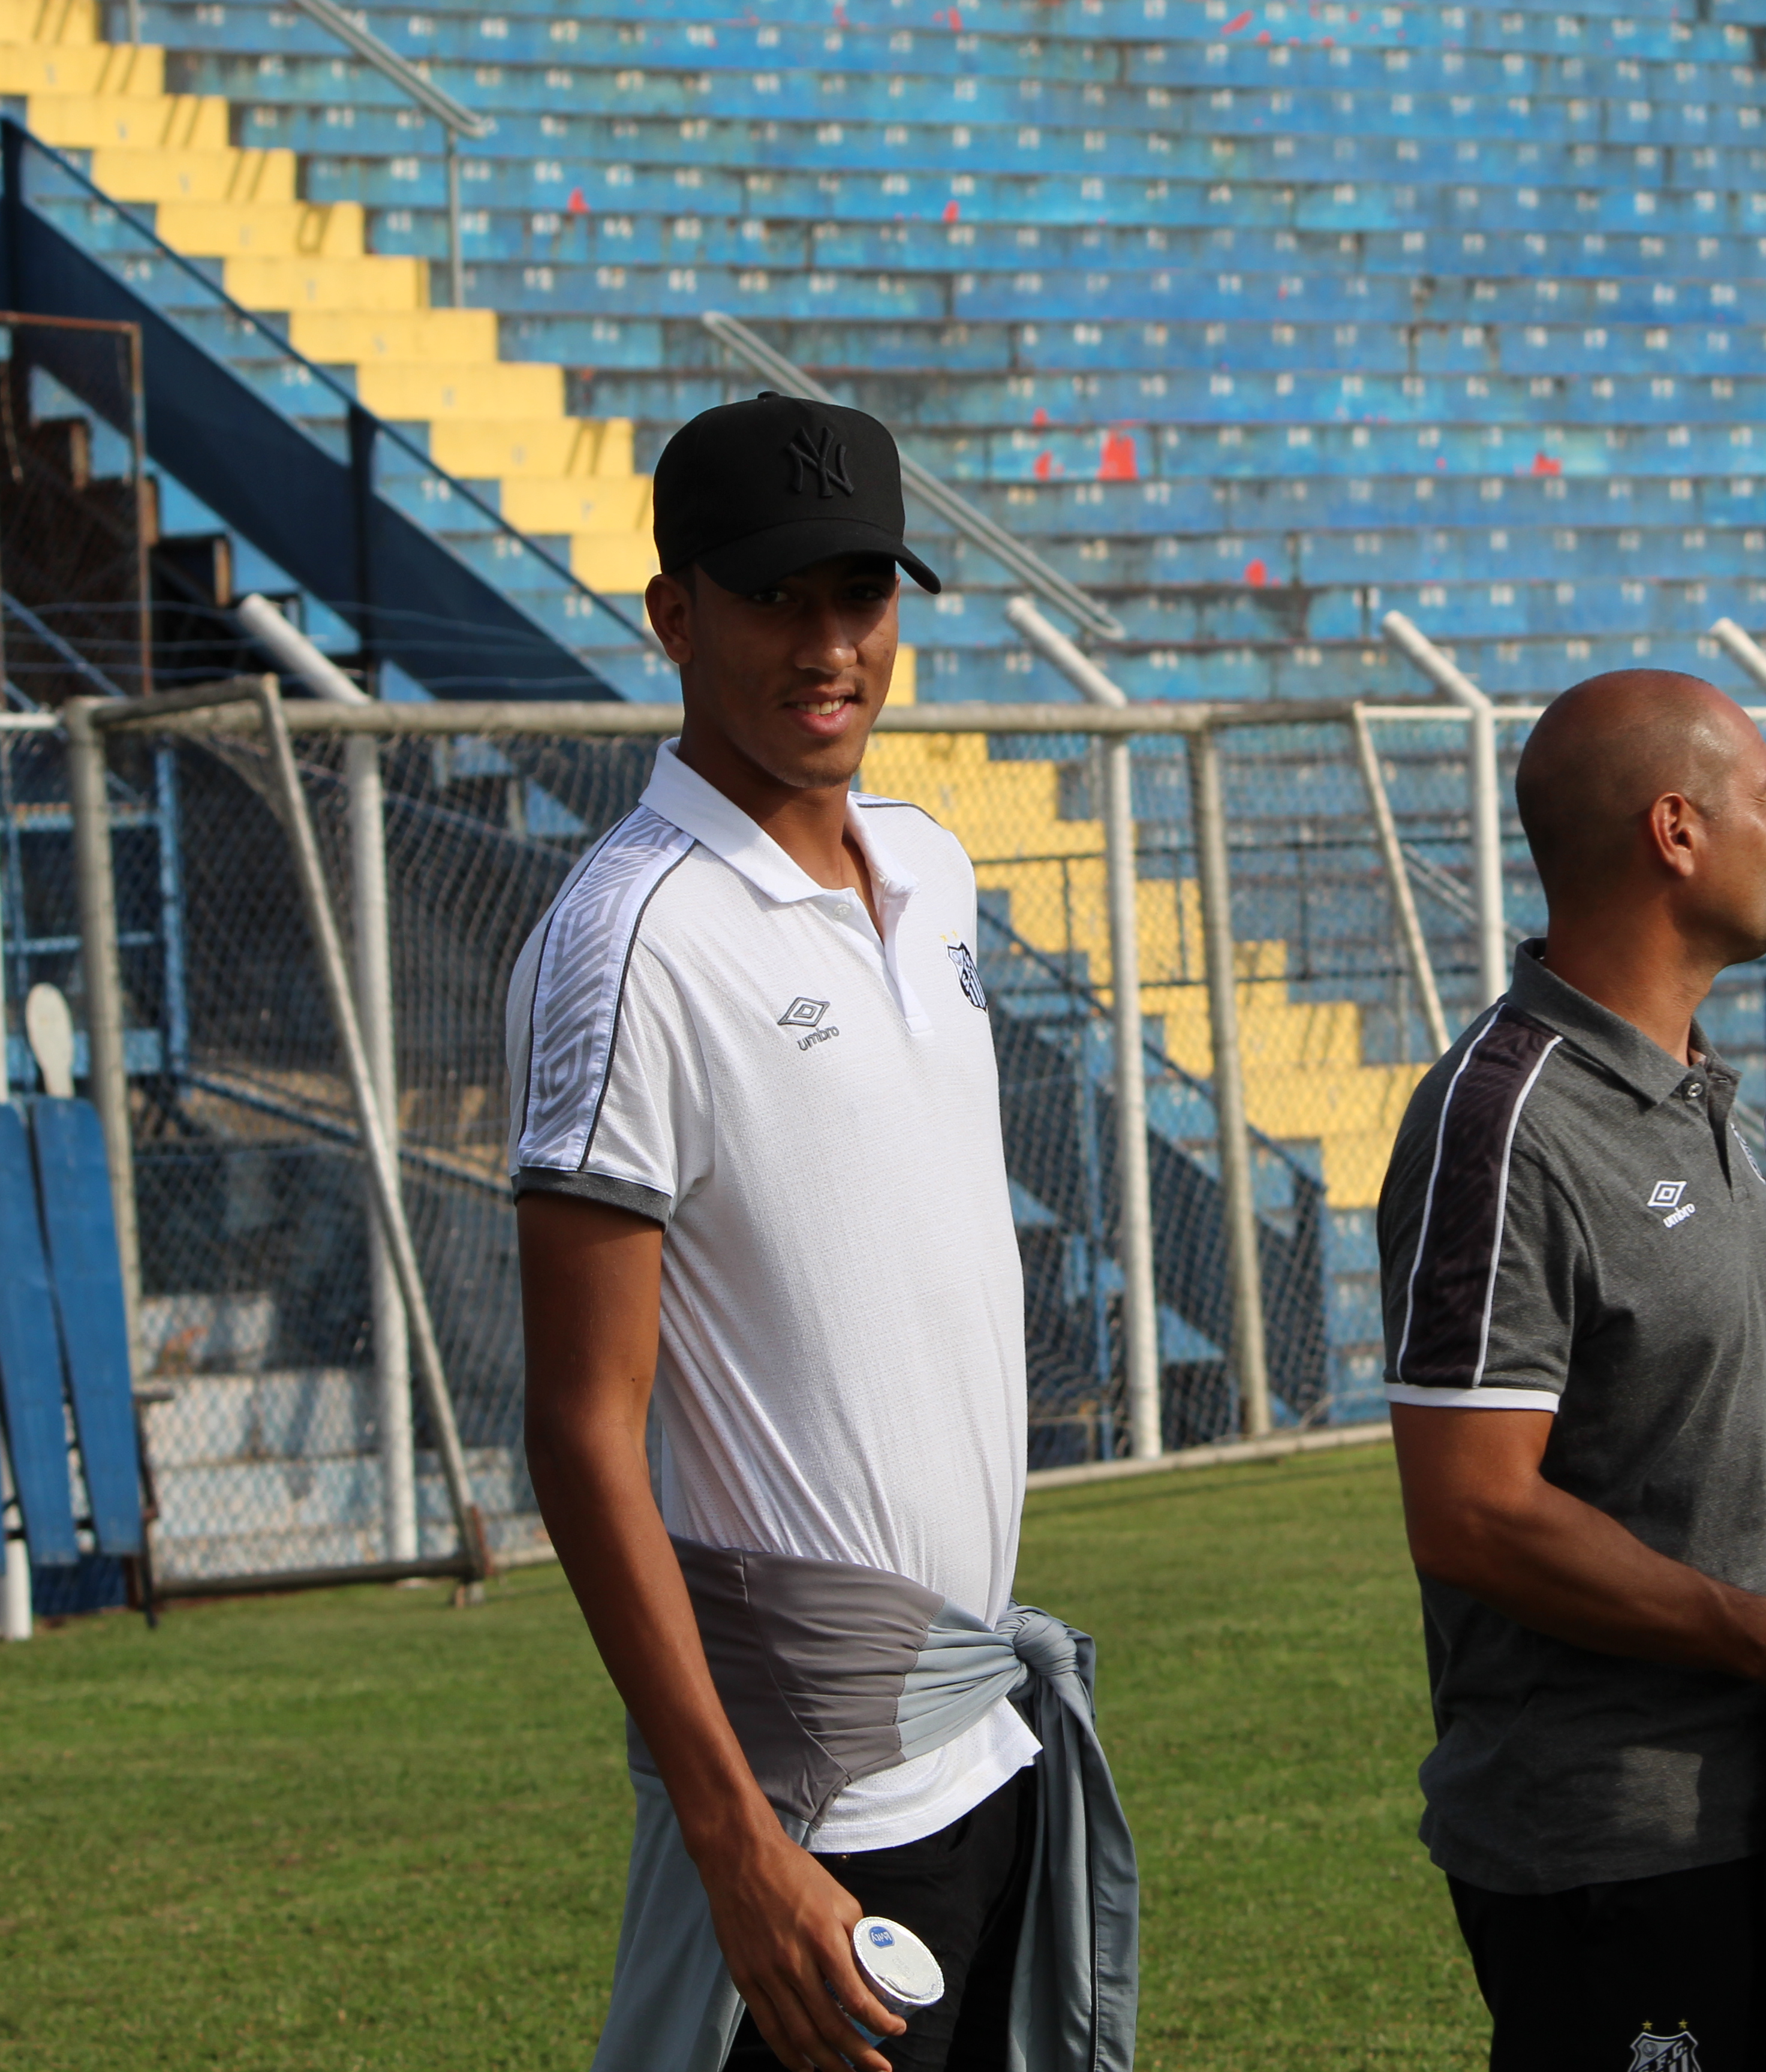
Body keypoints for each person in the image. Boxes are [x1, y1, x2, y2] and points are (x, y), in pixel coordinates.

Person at [514, 392, 1128, 2072]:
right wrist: (735, 1844)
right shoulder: (632, 940)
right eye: (779, 593)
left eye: (862, 593)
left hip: (981, 1738)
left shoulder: (931, 871)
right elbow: (579, 1427)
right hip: (808, 1796)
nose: (831, 641)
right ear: (673, 612)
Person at [1377, 668, 1766, 2070]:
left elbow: (1689, 1408)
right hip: (1614, 1847)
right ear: (1676, 832)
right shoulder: (1504, 1124)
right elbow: (1474, 1511)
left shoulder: (1698, 1094)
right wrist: (1761, 1635)